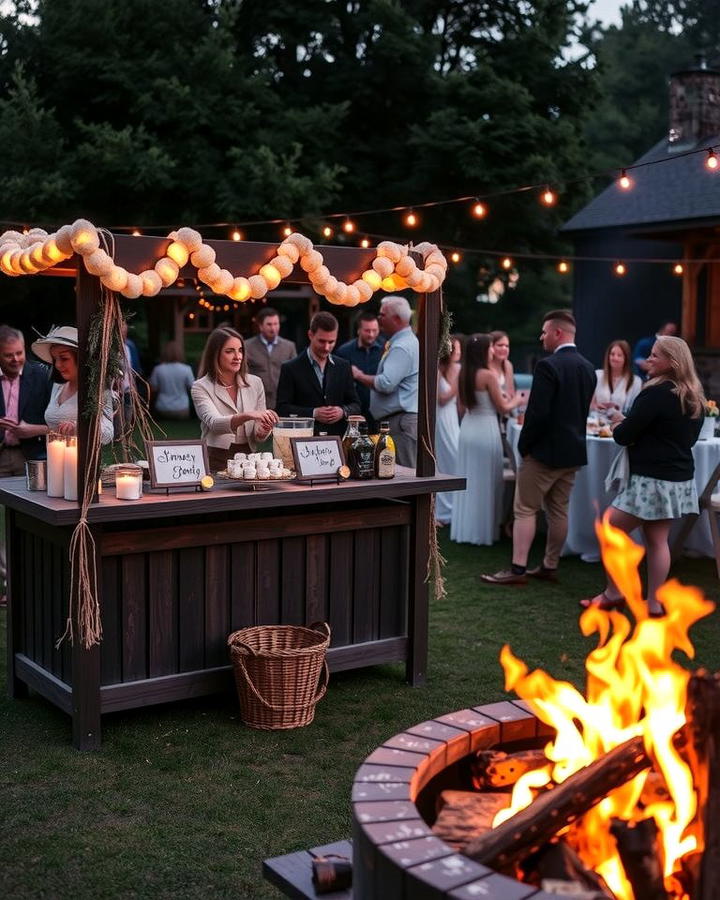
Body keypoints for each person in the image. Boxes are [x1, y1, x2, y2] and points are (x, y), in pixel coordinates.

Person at [581, 336, 704, 616]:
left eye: (654, 356)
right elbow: (684, 438)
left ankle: (613, 593)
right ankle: (654, 604)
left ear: (671, 363)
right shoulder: (693, 394)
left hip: (651, 479)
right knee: (658, 541)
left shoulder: (656, 393)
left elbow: (624, 436)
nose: (648, 359)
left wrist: (618, 422)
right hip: (679, 478)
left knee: (610, 528)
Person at [481, 310, 596, 584]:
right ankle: (549, 565)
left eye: (544, 332)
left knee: (525, 509)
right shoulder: (588, 368)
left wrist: (525, 445)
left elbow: (537, 414)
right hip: (573, 452)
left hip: (544, 453)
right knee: (559, 510)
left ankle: (518, 569)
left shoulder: (548, 366)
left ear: (558, 333)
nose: (541, 337)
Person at [450, 334, 526, 545]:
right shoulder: (488, 375)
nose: (493, 351)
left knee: (469, 480)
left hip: (467, 428)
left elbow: (460, 407)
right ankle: (482, 532)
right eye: (491, 347)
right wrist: (516, 400)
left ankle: (465, 530)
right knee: (486, 480)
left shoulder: (463, 373)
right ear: (484, 351)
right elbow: (502, 407)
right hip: (486, 428)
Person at [0, 325, 53, 606]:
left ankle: (20, 582)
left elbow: (53, 423)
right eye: (8, 355)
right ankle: (8, 576)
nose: (15, 359)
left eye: (19, 353)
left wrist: (27, 429)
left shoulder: (40, 375)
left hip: (29, 455)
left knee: (29, 518)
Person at [191, 327, 279, 472]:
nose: (237, 356)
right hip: (214, 457)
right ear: (215, 354)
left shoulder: (256, 383)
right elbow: (215, 424)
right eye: (229, 351)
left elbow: (258, 435)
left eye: (240, 350)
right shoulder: (200, 387)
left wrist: (263, 430)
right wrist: (248, 415)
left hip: (249, 459)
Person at [352, 296, 418, 467]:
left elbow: (386, 383)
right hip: (398, 420)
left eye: (382, 315)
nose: (379, 318)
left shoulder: (402, 346)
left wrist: (359, 375)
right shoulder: (403, 342)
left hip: (400, 422)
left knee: (403, 474)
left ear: (396, 319)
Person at [276, 311, 361, 437]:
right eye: (322, 341)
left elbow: (356, 405)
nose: (327, 347)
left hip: (337, 440)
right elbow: (282, 409)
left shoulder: (343, 366)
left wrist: (342, 412)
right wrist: (313, 413)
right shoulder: (290, 368)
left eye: (331, 342)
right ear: (310, 335)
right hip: (303, 441)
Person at [31, 326, 114, 443]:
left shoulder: (97, 389)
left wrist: (79, 428)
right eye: (55, 359)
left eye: (64, 358)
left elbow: (108, 434)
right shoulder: (58, 386)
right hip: (55, 458)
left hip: (85, 460)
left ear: (80, 359)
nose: (58, 365)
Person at [335, 310, 383, 431]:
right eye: (367, 330)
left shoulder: (385, 349)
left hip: (379, 413)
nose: (371, 334)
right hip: (353, 414)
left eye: (374, 330)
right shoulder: (344, 351)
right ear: (359, 330)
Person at [244, 307, 297, 411]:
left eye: (276, 324)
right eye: (269, 324)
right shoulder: (247, 346)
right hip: (255, 402)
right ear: (260, 326)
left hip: (283, 402)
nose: (273, 328)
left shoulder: (289, 346)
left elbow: (296, 374)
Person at [434, 335, 462, 526]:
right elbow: (442, 398)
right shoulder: (437, 370)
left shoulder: (458, 369)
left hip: (453, 418)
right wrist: (456, 381)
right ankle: (442, 511)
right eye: (457, 348)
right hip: (441, 419)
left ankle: (456, 509)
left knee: (455, 459)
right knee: (445, 460)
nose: (460, 352)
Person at [591, 339, 642, 414]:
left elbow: (634, 411)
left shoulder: (636, 382)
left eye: (619, 355)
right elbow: (589, 403)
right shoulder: (597, 375)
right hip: (596, 422)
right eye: (612, 354)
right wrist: (595, 406)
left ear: (626, 358)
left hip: (620, 424)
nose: (615, 358)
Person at [149, 341, 195, 420]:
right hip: (182, 408)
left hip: (162, 408)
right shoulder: (186, 369)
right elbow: (193, 388)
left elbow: (153, 389)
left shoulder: (158, 369)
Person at [488, 331, 516, 400]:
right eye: (500, 345)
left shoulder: (508, 365)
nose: (504, 348)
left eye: (507, 346)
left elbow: (511, 393)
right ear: (490, 347)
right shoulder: (485, 366)